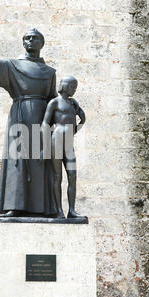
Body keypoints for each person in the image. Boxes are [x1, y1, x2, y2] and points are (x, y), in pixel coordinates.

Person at [0, 21, 58, 217]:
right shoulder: (12, 66)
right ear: (23, 43)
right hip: (20, 116)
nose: (31, 40)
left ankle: (44, 208)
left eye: (35, 38)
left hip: (42, 119)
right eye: (27, 38)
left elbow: (53, 96)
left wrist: (68, 106)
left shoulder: (50, 72)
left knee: (40, 160)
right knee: (17, 159)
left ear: (41, 43)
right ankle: (15, 205)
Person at [41, 76, 86, 219]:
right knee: (57, 176)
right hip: (56, 141)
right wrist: (45, 146)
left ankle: (71, 210)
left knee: (72, 175)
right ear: (65, 86)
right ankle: (59, 210)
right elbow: (44, 124)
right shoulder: (54, 102)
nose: (74, 89)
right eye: (73, 86)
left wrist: (80, 121)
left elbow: (79, 122)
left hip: (68, 143)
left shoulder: (73, 104)